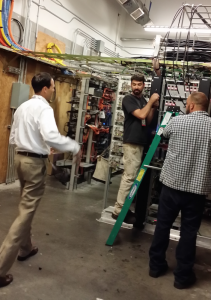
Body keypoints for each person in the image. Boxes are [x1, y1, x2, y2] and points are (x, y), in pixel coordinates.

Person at [0, 72, 81, 288]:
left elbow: (15, 136)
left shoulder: (23, 106)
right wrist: (74, 147)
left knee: (25, 207)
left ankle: (26, 248)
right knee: (25, 213)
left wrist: (39, 147)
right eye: (53, 87)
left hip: (19, 159)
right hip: (34, 164)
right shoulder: (44, 108)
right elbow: (51, 136)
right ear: (44, 89)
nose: (54, 90)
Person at [149, 92, 211, 289]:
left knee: (163, 226)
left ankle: (156, 267)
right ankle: (182, 278)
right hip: (197, 191)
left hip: (171, 186)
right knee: (189, 233)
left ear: (191, 106)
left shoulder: (178, 122)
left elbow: (160, 133)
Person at [112, 74, 160, 224]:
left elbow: (148, 119)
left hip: (140, 142)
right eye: (134, 84)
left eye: (139, 84)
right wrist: (151, 101)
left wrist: (152, 107)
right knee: (129, 176)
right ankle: (118, 210)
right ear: (131, 85)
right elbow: (140, 115)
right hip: (132, 142)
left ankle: (124, 207)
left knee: (132, 177)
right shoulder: (128, 99)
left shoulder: (143, 101)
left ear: (143, 86)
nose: (136, 87)